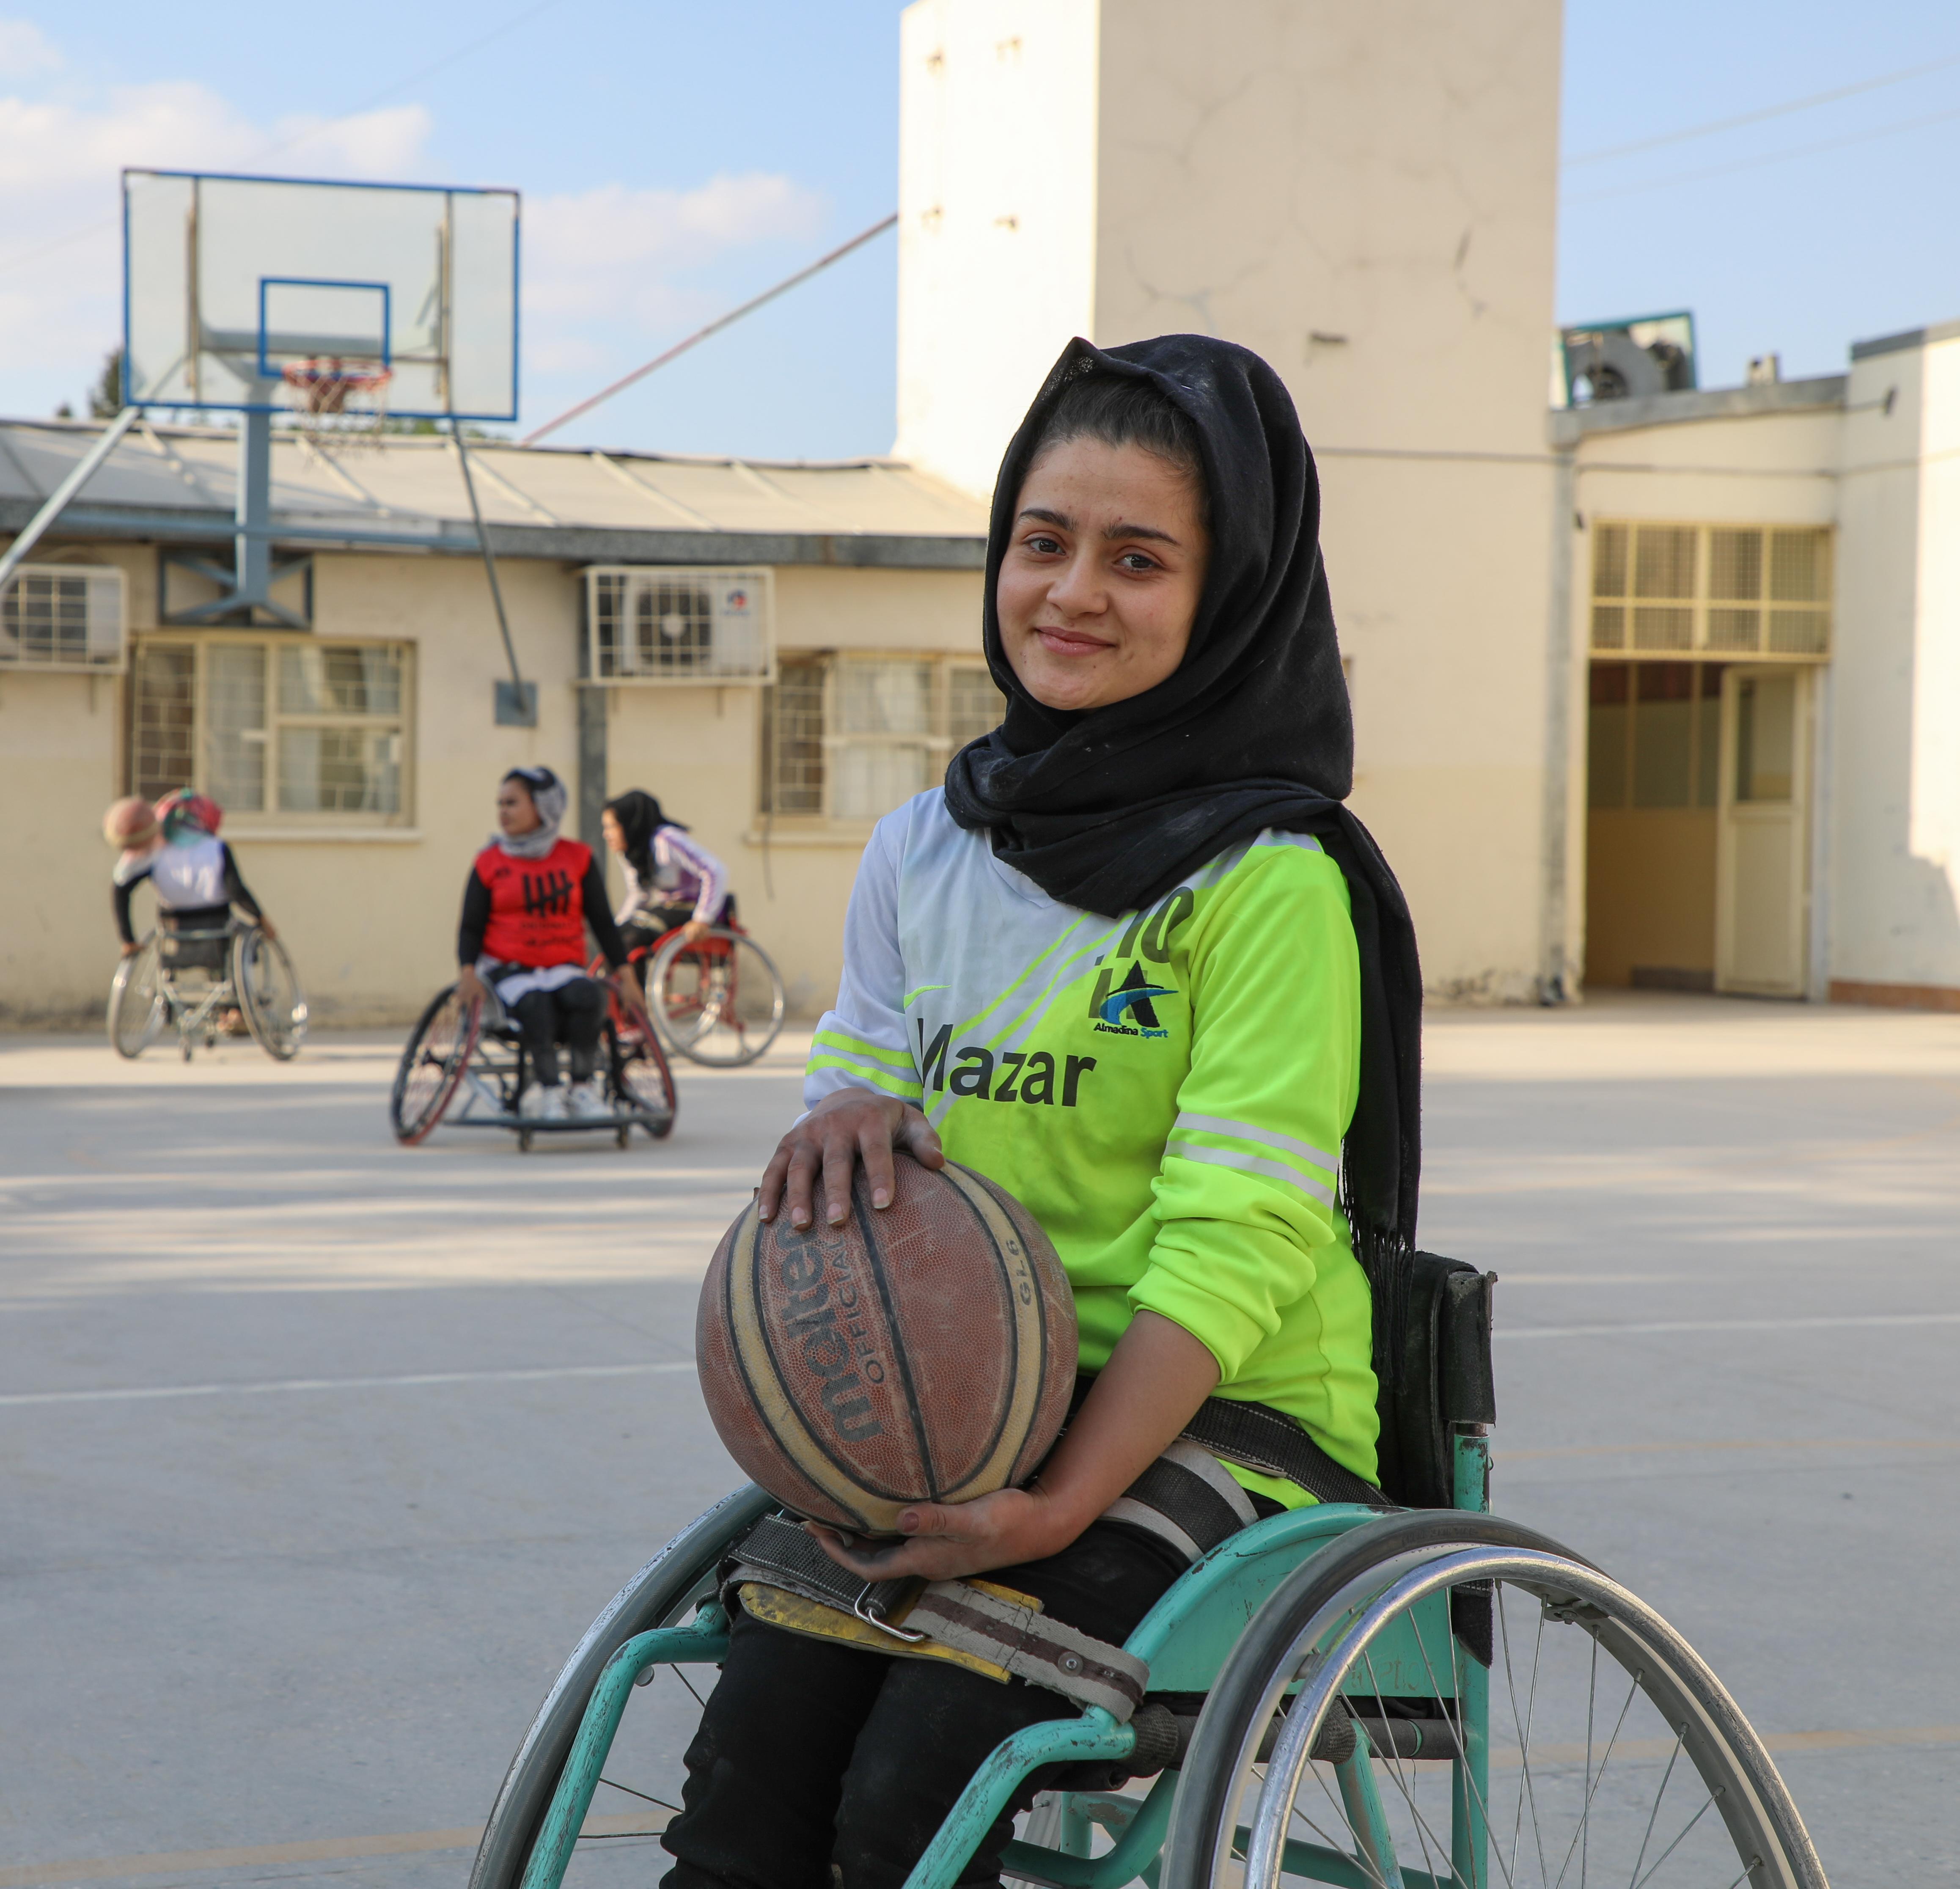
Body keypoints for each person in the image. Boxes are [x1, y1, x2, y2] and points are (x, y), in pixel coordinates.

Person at [659, 334, 1423, 1889]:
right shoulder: (927, 847)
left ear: (1230, 596)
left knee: (910, 1801)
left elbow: (1240, 1227)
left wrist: (1063, 1494)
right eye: (1041, 539)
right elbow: (861, 1067)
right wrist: (838, 1128)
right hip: (971, 1393)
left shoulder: (1270, 882)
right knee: (748, 1780)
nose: (1072, 589)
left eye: (1138, 558)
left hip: (1218, 1415)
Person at [455, 765, 637, 1123]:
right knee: (536, 1005)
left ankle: (583, 1089)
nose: (503, 811)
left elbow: (602, 922)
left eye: (512, 803)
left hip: (562, 967)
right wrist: (467, 973)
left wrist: (627, 976)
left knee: (589, 997)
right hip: (507, 969)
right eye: (500, 803)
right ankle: (550, 1092)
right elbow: (471, 927)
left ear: (544, 807)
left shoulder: (578, 857)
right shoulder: (489, 862)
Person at [108, 792, 277, 978]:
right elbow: (236, 890)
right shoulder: (216, 847)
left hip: (174, 927)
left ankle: (168, 997)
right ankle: (233, 1005)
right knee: (240, 941)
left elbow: (120, 891)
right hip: (217, 924)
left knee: (170, 943)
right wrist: (261, 918)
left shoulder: (153, 852)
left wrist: (128, 939)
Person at [600, 789, 732, 968]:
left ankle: (635, 996)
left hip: (692, 910)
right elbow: (639, 895)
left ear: (631, 823)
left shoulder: (667, 840)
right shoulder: (633, 853)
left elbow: (715, 871)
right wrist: (618, 927)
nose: (606, 835)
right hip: (666, 911)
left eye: (612, 827)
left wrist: (702, 919)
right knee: (617, 940)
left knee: (634, 940)